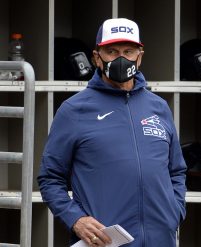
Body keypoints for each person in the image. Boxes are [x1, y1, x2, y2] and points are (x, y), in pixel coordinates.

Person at [37, 18, 187, 247]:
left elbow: (176, 171)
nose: (121, 58)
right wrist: (75, 219)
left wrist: (174, 213)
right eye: (111, 51)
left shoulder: (159, 107)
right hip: (104, 242)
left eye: (128, 51)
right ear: (97, 57)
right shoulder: (74, 110)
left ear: (140, 56)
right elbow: (50, 179)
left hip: (161, 240)